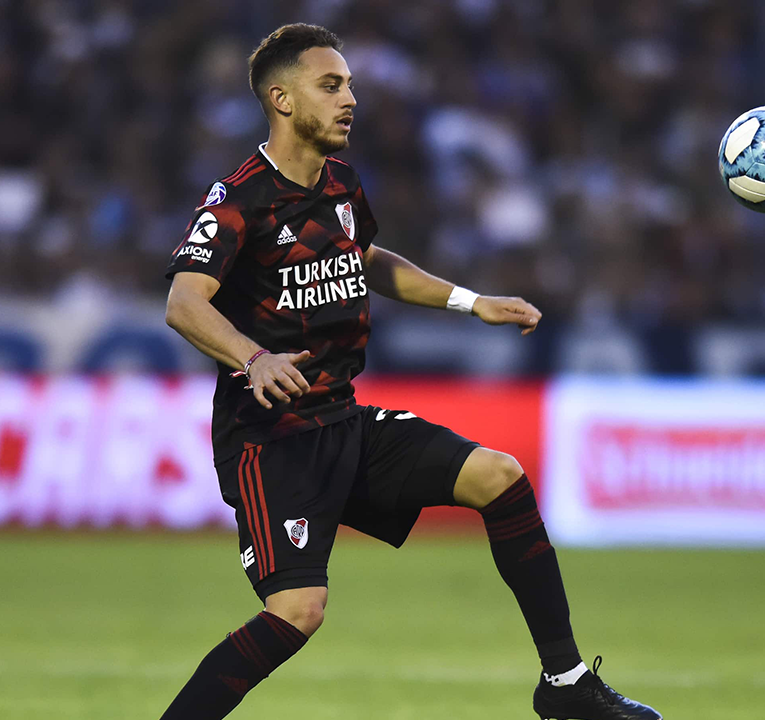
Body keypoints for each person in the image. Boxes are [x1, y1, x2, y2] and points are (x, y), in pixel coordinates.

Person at [159, 23, 661, 720]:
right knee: (299, 611)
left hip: (343, 419)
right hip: (271, 440)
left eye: (350, 85)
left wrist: (471, 301)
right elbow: (184, 302)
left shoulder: (340, 183)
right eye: (330, 85)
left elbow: (367, 260)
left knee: (500, 476)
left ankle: (566, 684)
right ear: (281, 99)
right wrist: (253, 356)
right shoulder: (236, 199)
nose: (350, 99)